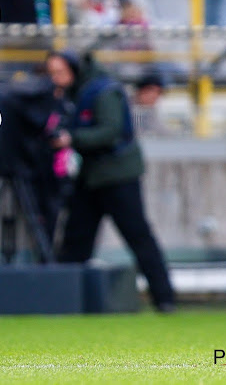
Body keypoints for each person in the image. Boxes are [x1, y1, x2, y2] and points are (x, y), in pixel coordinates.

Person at [46, 51, 175, 312]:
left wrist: (72, 139)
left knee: (137, 236)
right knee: (75, 239)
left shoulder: (103, 91)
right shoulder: (76, 91)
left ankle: (165, 299)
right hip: (91, 175)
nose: (55, 80)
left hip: (118, 177)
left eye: (59, 73)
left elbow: (110, 131)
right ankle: (63, 301)